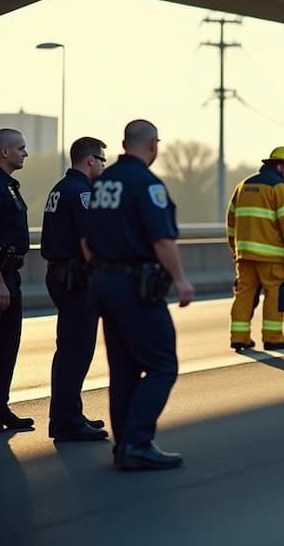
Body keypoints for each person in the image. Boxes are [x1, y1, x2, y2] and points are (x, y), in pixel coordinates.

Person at [83, 119, 195, 471]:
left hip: (102, 281)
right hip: (135, 285)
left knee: (124, 369)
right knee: (163, 365)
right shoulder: (146, 184)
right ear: (153, 145)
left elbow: (85, 240)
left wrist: (104, 271)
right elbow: (162, 240)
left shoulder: (103, 183)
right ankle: (138, 442)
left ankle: (124, 447)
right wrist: (180, 281)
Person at [41, 136, 109, 442]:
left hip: (60, 275)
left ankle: (69, 414)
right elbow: (90, 238)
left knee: (71, 349)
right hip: (76, 278)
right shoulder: (82, 192)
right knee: (75, 352)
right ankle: (66, 422)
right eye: (102, 160)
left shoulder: (61, 187)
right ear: (90, 160)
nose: (105, 165)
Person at [226, 147, 284, 351]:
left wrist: (235, 248)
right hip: (272, 256)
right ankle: (273, 338)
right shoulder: (279, 188)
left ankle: (239, 337)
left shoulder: (243, 185)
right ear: (279, 166)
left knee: (244, 294)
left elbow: (231, 220)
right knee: (275, 294)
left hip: (245, 254)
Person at [0, 128, 32, 433]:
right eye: (21, 148)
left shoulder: (9, 186)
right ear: (4, 152)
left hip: (9, 273)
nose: (25, 153)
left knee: (6, 345)